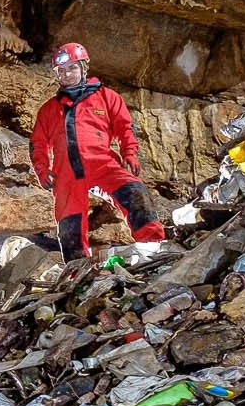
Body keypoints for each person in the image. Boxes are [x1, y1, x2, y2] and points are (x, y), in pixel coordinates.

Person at [29, 42, 166, 260]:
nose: (67, 74)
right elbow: (37, 143)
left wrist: (129, 152)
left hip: (102, 163)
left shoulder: (107, 97)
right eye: (61, 71)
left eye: (72, 68)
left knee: (135, 191)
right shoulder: (49, 109)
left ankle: (154, 246)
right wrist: (42, 170)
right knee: (69, 222)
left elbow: (124, 127)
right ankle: (77, 268)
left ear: (84, 68)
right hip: (67, 172)